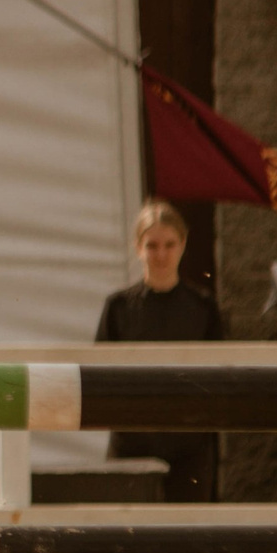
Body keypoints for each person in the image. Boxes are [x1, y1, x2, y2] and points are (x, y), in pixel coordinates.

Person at [94, 199, 224, 500]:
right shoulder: (118, 307)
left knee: (187, 537)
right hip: (132, 444)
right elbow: (98, 376)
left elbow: (218, 378)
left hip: (189, 447)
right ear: (138, 247)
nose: (161, 254)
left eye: (169, 244)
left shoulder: (203, 307)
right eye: (152, 245)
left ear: (183, 244)